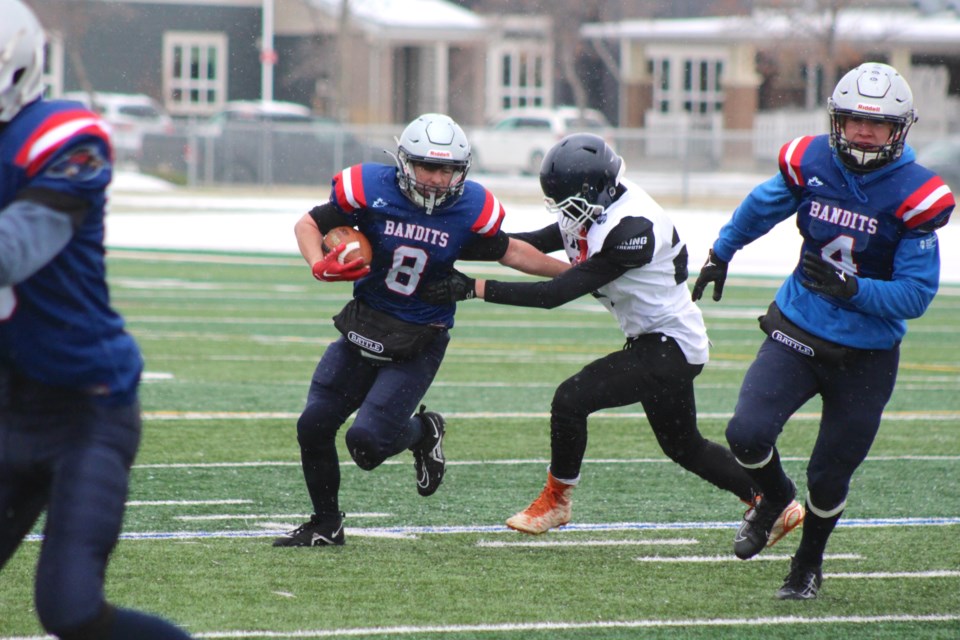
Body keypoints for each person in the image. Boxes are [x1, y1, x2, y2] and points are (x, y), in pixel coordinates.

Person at [421, 132, 804, 541]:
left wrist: (473, 288)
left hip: (669, 344)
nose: (568, 213)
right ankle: (772, 501)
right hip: (657, 340)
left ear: (598, 190)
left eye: (572, 204)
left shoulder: (631, 229)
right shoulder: (596, 203)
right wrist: (447, 242)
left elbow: (554, 295)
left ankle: (556, 501)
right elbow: (530, 243)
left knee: (571, 400)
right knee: (683, 446)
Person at [691, 62, 955, 599]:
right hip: (799, 326)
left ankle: (808, 563)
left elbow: (916, 295)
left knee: (829, 477)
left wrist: (853, 290)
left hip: (867, 352)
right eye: (854, 119)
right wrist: (722, 249)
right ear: (836, 119)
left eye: (876, 124)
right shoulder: (812, 161)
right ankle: (772, 498)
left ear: (899, 129)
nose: (863, 132)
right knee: (746, 433)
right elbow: (762, 205)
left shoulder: (915, 193)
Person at [274, 112, 569, 547]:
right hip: (365, 323)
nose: (435, 179)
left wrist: (579, 275)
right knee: (313, 425)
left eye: (446, 169)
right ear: (403, 163)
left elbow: (513, 253)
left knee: (367, 445)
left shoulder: (470, 209)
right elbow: (308, 224)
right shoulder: (370, 190)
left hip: (419, 338)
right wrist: (318, 263)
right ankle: (326, 523)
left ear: (461, 170)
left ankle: (423, 432)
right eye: (427, 166)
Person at [0, 2, 195, 638]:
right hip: (8, 406)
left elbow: (13, 250)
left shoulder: (60, 133)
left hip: (86, 407)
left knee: (71, 610)